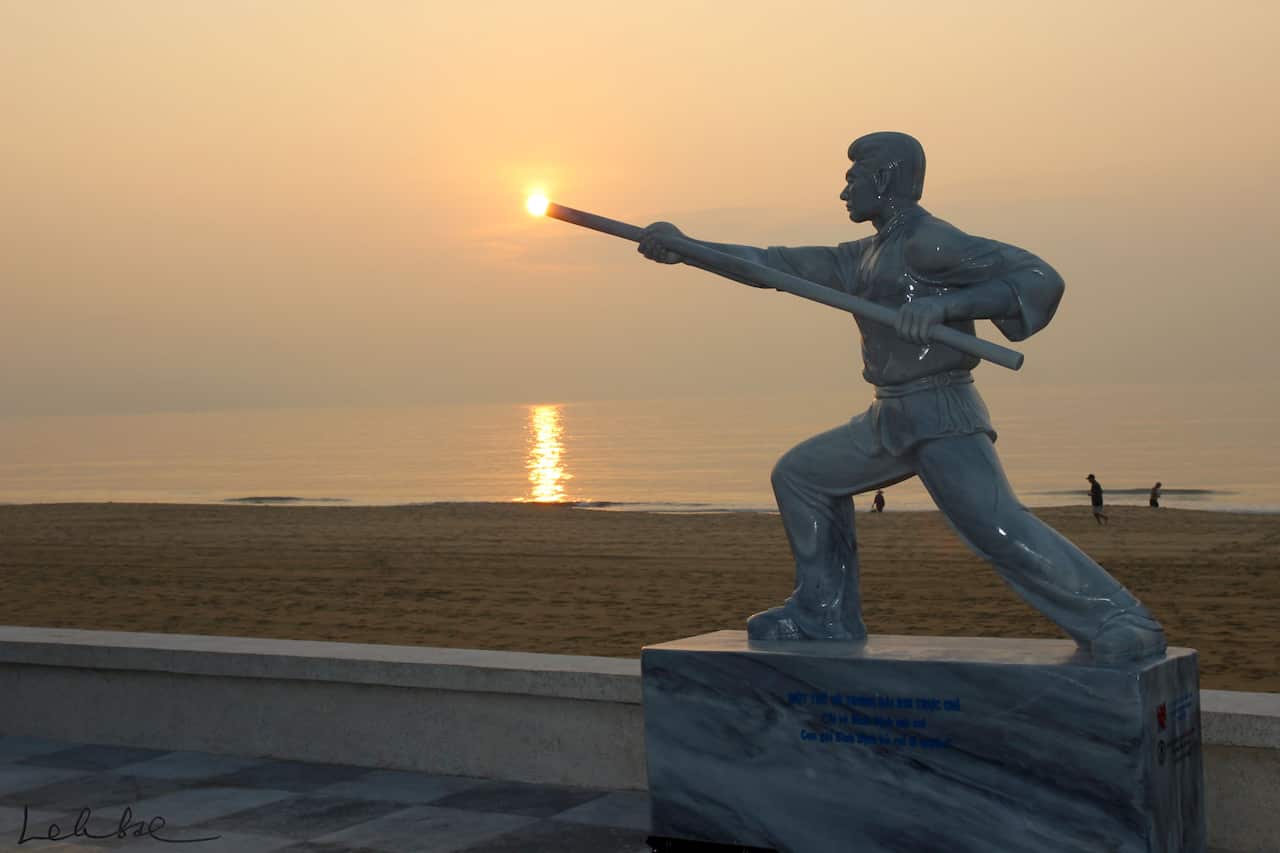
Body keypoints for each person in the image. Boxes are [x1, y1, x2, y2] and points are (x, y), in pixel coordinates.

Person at [638, 131, 1165, 663]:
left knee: (997, 526)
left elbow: (1040, 279)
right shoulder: (863, 256)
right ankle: (824, 614)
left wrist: (947, 306)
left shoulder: (927, 242)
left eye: (853, 179)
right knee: (801, 476)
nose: (844, 191)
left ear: (885, 178)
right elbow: (770, 265)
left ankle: (1122, 620)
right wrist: (688, 249)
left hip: (940, 410)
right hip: (889, 412)